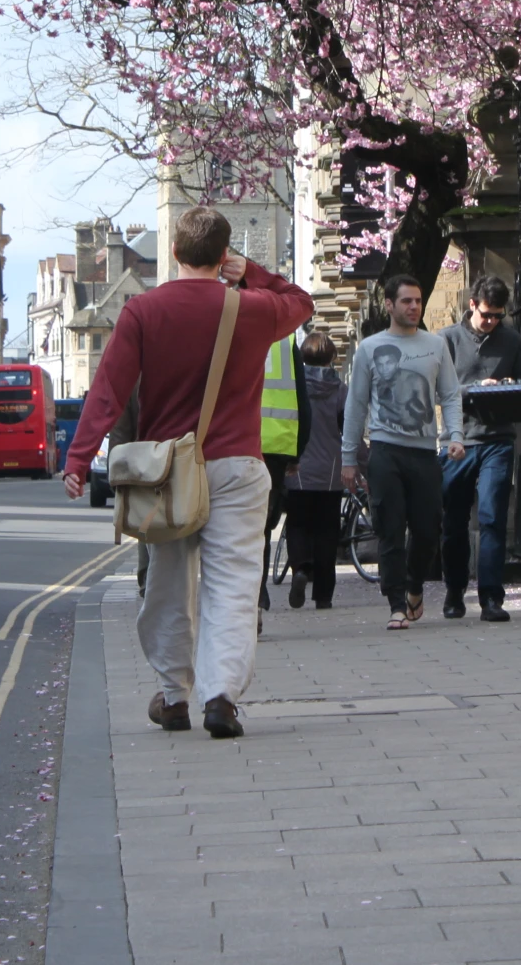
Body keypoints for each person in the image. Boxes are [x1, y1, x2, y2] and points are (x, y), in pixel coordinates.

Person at [65, 206, 313, 739]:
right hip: (240, 467)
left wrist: (80, 458)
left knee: (169, 581)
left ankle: (174, 695)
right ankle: (221, 696)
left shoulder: (142, 312)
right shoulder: (252, 308)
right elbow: (302, 302)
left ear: (174, 252)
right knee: (233, 584)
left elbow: (108, 390)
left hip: (168, 470)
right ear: (223, 255)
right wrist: (251, 273)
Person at [341, 275, 464, 629]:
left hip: (425, 452)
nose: (414, 307)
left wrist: (454, 434)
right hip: (384, 451)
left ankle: (413, 587)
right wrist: (349, 458)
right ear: (390, 305)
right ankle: (396, 604)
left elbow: (450, 395)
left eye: (418, 301)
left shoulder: (436, 345)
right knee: (390, 528)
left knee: (427, 530)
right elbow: (356, 405)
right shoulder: (369, 349)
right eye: (406, 301)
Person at [437, 276, 521, 622]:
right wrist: (473, 390)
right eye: (486, 314)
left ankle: (491, 597)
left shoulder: (512, 340)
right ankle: (455, 592)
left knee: (492, 518)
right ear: (472, 304)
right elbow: (436, 391)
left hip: (498, 439)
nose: (491, 322)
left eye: (498, 316)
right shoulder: (446, 340)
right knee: (454, 522)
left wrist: (506, 387)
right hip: (458, 440)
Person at [281, 331, 349, 608]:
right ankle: (323, 596)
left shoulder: (293, 388)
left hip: (296, 471)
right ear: (332, 357)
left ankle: (300, 569)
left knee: (297, 525)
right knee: (327, 534)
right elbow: (350, 431)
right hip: (331, 475)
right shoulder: (341, 390)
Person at [257, 332, 309, 611]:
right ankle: (259, 590)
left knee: (233, 524)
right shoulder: (284, 342)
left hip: (231, 444)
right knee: (262, 525)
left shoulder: (221, 323)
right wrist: (295, 452)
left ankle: (248, 591)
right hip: (274, 447)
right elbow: (303, 401)